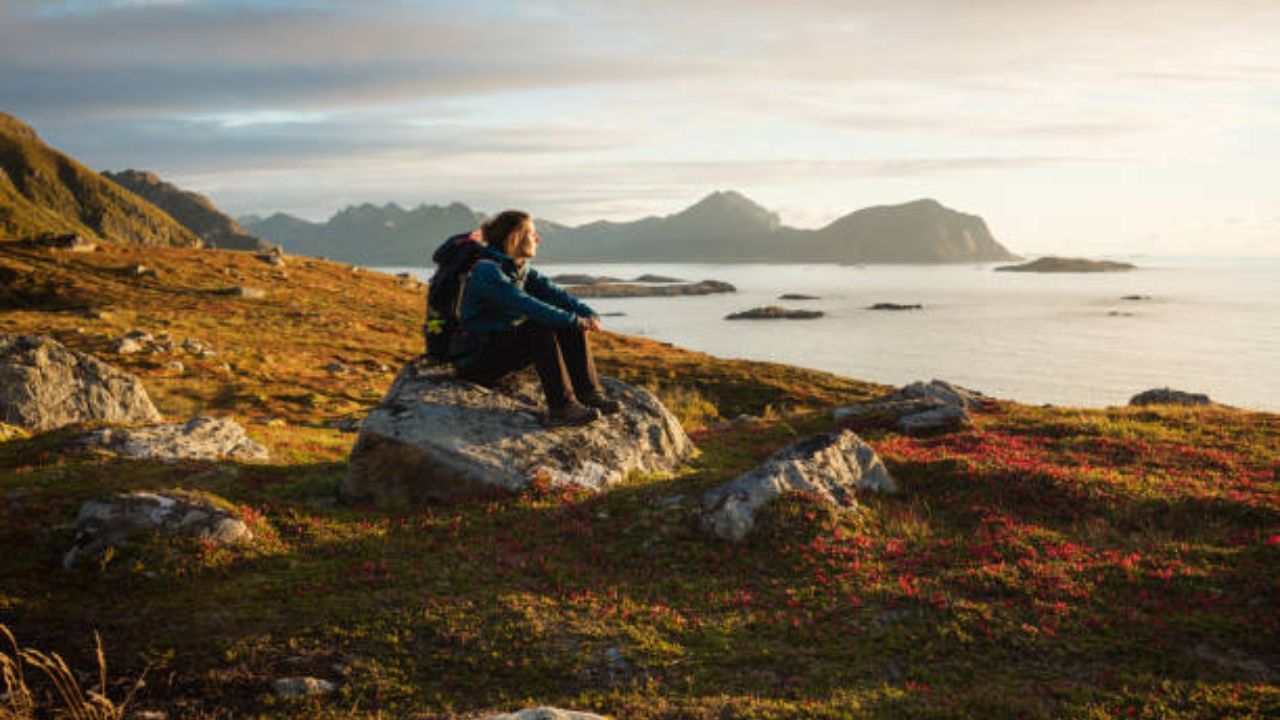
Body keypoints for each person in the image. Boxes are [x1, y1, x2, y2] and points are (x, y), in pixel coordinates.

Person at [451, 210, 620, 426]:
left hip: (499, 347)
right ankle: (562, 408)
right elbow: (526, 304)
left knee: (568, 324)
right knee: (539, 327)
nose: (538, 239)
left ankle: (588, 394)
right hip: (475, 361)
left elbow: (556, 295)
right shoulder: (487, 272)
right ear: (514, 237)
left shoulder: (520, 269)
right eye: (532, 233)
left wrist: (587, 314)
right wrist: (575, 320)